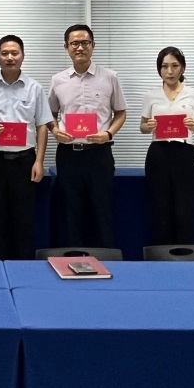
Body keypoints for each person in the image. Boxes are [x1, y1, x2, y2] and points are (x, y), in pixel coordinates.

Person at [0, 34, 53, 260]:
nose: (9, 57)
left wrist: (39, 161)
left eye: (14, 53)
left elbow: (42, 125)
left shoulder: (34, 88)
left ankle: (22, 270)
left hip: (24, 162)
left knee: (24, 220)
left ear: (22, 56)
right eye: (4, 53)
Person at [47, 23, 127, 248]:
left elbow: (121, 112)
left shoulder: (110, 77)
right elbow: (50, 113)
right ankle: (73, 260)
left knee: (102, 211)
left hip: (99, 154)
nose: (80, 48)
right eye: (74, 43)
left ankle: (106, 260)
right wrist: (55, 130)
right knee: (71, 212)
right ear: (66, 47)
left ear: (93, 45)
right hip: (69, 155)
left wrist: (108, 133)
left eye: (85, 43)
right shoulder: (58, 80)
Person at [140, 46, 194, 247]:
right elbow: (142, 127)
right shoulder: (151, 95)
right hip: (158, 154)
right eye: (164, 66)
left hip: (184, 154)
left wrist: (193, 126)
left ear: (182, 68)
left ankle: (184, 255)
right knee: (160, 209)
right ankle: (161, 257)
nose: (169, 71)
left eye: (175, 66)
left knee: (184, 210)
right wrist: (148, 126)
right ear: (159, 69)